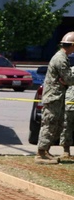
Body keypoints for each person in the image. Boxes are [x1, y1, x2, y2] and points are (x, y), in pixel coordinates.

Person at [37, 31, 74, 164]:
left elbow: (67, 79)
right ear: (71, 45)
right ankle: (41, 154)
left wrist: (67, 80)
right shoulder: (60, 58)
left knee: (55, 125)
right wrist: (68, 80)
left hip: (57, 97)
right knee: (50, 123)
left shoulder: (63, 57)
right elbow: (69, 79)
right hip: (53, 97)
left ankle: (45, 151)